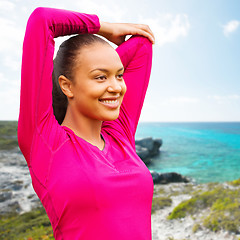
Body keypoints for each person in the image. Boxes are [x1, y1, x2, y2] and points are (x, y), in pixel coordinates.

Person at [17, 6, 155, 239]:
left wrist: (101, 61)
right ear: (67, 85)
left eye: (119, 75)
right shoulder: (45, 140)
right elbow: (43, 20)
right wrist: (105, 29)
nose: (116, 87)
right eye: (100, 77)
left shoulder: (119, 134)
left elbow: (142, 45)